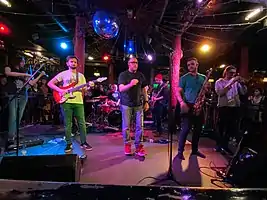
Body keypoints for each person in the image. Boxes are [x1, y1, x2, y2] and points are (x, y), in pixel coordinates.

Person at [47, 55, 92, 153]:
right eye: (71, 61)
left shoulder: (81, 76)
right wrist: (61, 90)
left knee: (82, 123)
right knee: (68, 124)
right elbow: (50, 83)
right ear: (67, 63)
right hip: (66, 101)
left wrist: (89, 86)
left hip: (79, 101)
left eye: (75, 62)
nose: (73, 63)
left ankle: (83, 142)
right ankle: (68, 143)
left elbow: (84, 89)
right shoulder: (63, 74)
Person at [4, 57, 45, 142]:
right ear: (18, 61)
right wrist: (25, 75)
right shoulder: (9, 67)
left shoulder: (24, 71)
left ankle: (15, 133)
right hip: (13, 94)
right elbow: (8, 73)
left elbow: (31, 83)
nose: (23, 63)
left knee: (19, 115)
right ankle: (10, 136)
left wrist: (40, 75)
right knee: (13, 115)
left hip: (23, 94)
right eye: (22, 61)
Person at [176, 57, 206, 160]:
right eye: (188, 65)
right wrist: (181, 102)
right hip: (188, 104)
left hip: (199, 106)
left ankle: (194, 150)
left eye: (192, 64)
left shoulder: (203, 77)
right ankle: (180, 151)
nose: (190, 66)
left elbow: (206, 92)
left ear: (197, 64)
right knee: (185, 129)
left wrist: (208, 89)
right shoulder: (184, 78)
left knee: (198, 130)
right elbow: (178, 91)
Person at [118, 57, 149, 156]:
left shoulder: (140, 75)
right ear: (128, 64)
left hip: (138, 104)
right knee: (126, 126)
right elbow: (121, 89)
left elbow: (144, 89)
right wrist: (131, 84)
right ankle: (127, 144)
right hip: (126, 104)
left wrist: (146, 101)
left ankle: (139, 146)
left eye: (136, 62)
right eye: (132, 62)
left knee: (140, 126)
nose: (135, 64)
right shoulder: (123, 75)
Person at [215, 65, 247, 154]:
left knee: (231, 128)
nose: (232, 75)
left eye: (234, 73)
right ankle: (219, 144)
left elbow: (243, 92)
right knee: (222, 127)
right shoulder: (219, 82)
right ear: (226, 72)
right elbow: (220, 93)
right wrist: (231, 82)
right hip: (224, 107)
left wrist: (242, 83)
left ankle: (225, 145)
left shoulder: (237, 83)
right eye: (231, 73)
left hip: (234, 107)